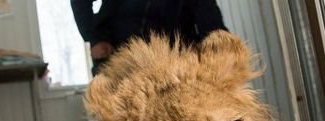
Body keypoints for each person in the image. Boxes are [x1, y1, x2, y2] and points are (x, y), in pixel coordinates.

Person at [71, 0, 228, 75]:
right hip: (116, 52)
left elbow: (208, 14)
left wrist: (222, 46)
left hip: (170, 57)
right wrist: (94, 37)